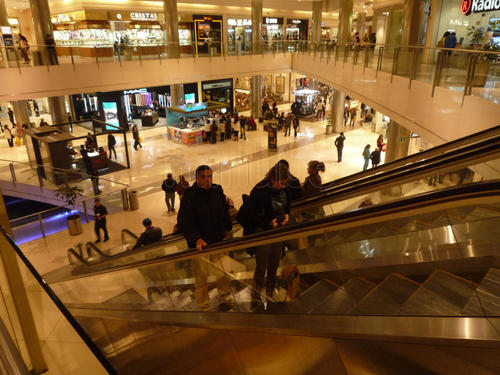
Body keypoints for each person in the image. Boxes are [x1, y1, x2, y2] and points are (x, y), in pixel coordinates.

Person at [177, 165, 233, 311]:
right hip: (200, 246)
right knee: (201, 277)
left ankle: (225, 295)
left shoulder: (217, 190)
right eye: (203, 177)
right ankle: (203, 304)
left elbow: (224, 211)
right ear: (196, 178)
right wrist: (196, 238)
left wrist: (228, 228)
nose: (207, 180)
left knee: (223, 272)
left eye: (209, 176)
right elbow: (184, 222)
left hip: (219, 241)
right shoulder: (190, 196)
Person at [237, 163, 290, 308]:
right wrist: (266, 223)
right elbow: (243, 215)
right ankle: (256, 295)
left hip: (277, 234)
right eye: (281, 183)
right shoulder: (260, 191)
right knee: (262, 266)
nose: (283, 186)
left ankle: (270, 293)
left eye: (285, 184)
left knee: (275, 264)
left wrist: (287, 215)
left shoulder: (281, 190)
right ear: (273, 179)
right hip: (263, 235)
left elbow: (286, 204)